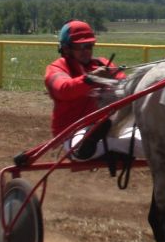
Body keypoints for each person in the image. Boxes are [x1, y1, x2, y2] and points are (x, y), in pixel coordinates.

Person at [43, 20, 134, 161]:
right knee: (79, 150)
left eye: (89, 46)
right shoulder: (56, 68)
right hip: (72, 132)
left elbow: (125, 84)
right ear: (66, 48)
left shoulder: (102, 64)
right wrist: (90, 79)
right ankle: (100, 144)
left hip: (109, 127)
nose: (86, 51)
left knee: (145, 139)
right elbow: (63, 89)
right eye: (81, 47)